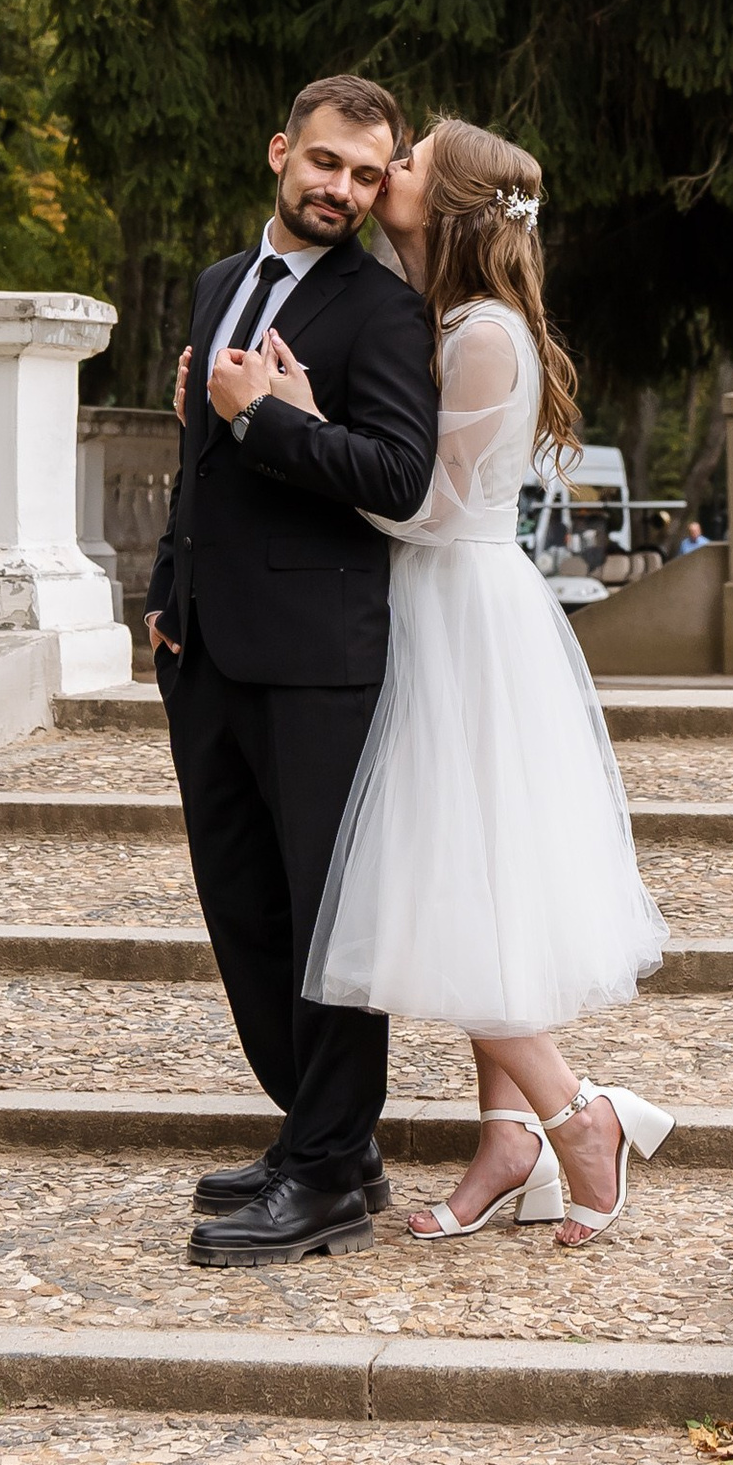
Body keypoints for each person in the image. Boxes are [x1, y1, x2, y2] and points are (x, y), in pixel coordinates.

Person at [279, 117, 675, 1245]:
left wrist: (302, 427)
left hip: (460, 611)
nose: (382, 172)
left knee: (446, 869)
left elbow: (427, 503)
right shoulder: (449, 321)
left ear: (446, 202)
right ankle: (505, 1137)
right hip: (437, 603)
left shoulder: (483, 335)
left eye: (403, 163)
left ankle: (574, 1111)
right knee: (467, 884)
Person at [145, 76, 440, 1267]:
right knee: (245, 911)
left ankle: (326, 1171)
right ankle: (323, 1137)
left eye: (368, 177)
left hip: (320, 663)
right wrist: (166, 592)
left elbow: (398, 480)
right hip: (206, 647)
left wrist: (269, 420)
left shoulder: (381, 313)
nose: (344, 192)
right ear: (281, 153)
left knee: (326, 919)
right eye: (327, 164)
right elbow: (198, 461)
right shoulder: (220, 284)